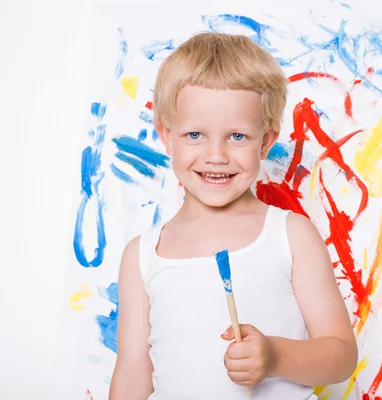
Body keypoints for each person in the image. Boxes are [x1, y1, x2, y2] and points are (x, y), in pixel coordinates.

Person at [109, 32, 358, 400]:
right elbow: (132, 376)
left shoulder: (291, 235)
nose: (216, 155)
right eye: (195, 134)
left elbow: (341, 356)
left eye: (237, 136)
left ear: (266, 141)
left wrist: (274, 356)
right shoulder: (142, 255)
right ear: (166, 134)